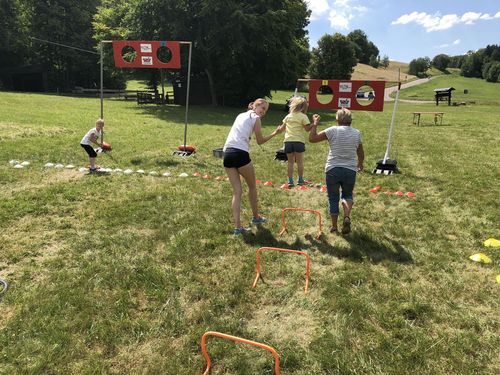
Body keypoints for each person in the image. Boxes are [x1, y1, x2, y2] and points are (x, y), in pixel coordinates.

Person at [223, 98, 285, 235]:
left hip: (227, 154)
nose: (263, 112)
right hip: (240, 154)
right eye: (262, 108)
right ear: (255, 106)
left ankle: (238, 228)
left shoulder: (240, 115)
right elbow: (260, 141)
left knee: (237, 192)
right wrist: (276, 132)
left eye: (265, 110)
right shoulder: (256, 118)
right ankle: (256, 217)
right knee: (252, 186)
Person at [308, 108, 364, 234]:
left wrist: (315, 123)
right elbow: (360, 152)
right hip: (350, 169)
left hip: (332, 168)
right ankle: (347, 216)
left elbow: (312, 138)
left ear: (337, 120)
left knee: (333, 198)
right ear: (350, 120)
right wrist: (360, 164)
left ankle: (334, 227)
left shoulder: (333, 130)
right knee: (347, 195)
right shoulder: (356, 133)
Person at [280, 96, 312, 187]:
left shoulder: (288, 116)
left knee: (290, 162)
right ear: (304, 107)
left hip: (288, 142)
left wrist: (277, 130)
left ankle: (290, 181)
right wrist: (314, 123)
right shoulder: (303, 116)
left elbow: (282, 128)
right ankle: (300, 180)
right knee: (299, 162)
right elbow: (307, 129)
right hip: (299, 142)